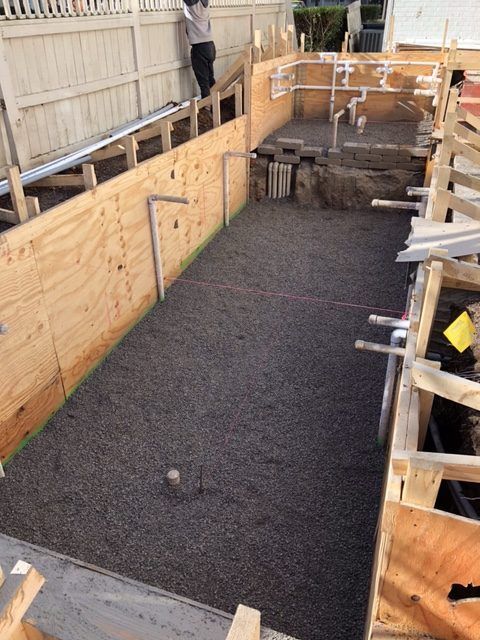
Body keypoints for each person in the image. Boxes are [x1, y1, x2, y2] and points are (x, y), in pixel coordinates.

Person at [183, 0, 216, 99]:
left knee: (204, 84)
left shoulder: (192, 3)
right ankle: (217, 105)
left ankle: (207, 110)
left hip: (199, 46)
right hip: (210, 45)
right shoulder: (205, 2)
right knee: (210, 79)